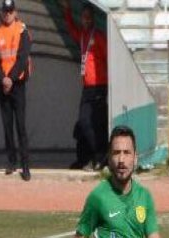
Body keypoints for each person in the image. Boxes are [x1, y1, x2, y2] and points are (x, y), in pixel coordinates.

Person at [62, 3, 108, 170]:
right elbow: (70, 29)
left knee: (95, 123)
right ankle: (88, 157)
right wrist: (66, 10)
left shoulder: (99, 36)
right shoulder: (82, 36)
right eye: (84, 17)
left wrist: (108, 82)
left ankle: (100, 156)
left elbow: (108, 58)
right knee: (83, 123)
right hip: (87, 87)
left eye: (89, 17)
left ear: (93, 18)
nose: (86, 20)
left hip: (99, 86)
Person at [0, 0, 32, 180]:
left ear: (15, 12)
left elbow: (23, 58)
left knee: (20, 126)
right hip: (4, 86)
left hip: (17, 84)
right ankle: (11, 162)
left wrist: (11, 78)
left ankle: (25, 165)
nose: (7, 14)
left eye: (10, 11)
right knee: (7, 126)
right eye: (5, 11)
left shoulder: (22, 30)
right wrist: (2, 79)